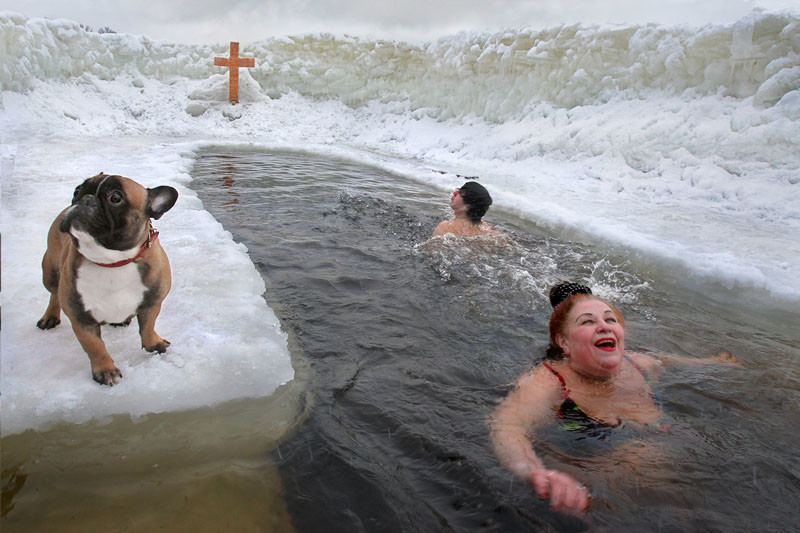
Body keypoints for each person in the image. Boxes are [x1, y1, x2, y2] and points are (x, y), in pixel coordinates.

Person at [489, 282, 740, 515]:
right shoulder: (548, 380)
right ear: (563, 341)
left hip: (691, 497)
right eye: (587, 322)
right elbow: (507, 426)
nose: (604, 326)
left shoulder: (641, 363)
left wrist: (713, 363)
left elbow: (669, 359)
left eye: (611, 319)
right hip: (605, 502)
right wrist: (536, 472)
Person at [432, 181, 498, 237]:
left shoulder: (445, 227)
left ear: (468, 206)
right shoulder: (489, 230)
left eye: (460, 193)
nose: (455, 192)